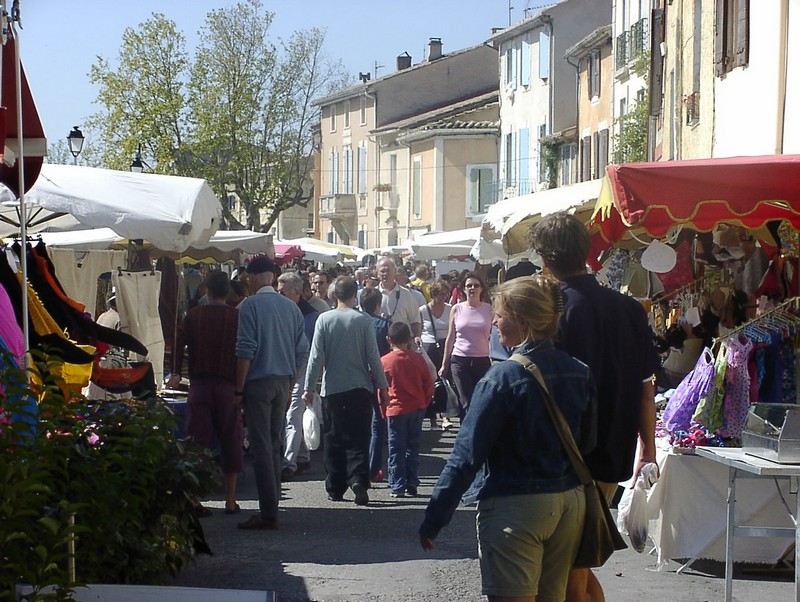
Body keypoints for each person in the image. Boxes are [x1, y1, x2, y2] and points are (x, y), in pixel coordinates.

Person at [420, 275, 597, 602]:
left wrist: (435, 517)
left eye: (499, 315)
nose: (494, 322)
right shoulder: (579, 370)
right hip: (567, 502)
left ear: (522, 321)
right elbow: (588, 443)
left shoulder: (502, 378)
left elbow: (466, 455)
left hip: (517, 504)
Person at [530, 213, 660, 602]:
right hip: (611, 452)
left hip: (564, 457)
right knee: (576, 563)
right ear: (586, 252)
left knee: (565, 568)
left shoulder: (552, 312)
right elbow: (646, 389)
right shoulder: (629, 309)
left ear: (545, 259)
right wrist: (647, 450)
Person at [235, 255, 309, 530]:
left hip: (258, 381)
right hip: (282, 382)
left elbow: (245, 350)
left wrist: (238, 389)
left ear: (253, 278)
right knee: (274, 443)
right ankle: (272, 505)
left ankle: (268, 512)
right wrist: (291, 381)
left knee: (261, 447)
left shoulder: (250, 305)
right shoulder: (290, 307)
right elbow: (302, 351)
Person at [303, 276, 389, 506]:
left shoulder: (324, 319)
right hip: (360, 387)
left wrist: (309, 387)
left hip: (333, 388)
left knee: (334, 437)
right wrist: (382, 386)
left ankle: (335, 485)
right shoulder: (364, 320)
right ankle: (358, 478)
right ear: (355, 295)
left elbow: (316, 356)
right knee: (359, 436)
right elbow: (373, 357)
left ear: (334, 294)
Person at [168, 270, 243, 515]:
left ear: (206, 290)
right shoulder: (236, 317)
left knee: (196, 442)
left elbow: (178, 343)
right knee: (231, 439)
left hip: (199, 385)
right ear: (227, 291)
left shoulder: (194, 315)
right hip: (228, 386)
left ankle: (193, 498)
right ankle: (230, 499)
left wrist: (176, 371)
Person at [380, 321, 434, 498]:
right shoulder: (417, 359)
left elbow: (381, 389)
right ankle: (412, 481)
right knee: (413, 446)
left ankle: (397, 485)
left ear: (389, 339)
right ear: (409, 339)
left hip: (395, 409)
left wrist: (382, 409)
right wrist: (425, 402)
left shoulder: (385, 361)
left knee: (396, 448)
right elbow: (428, 383)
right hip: (417, 406)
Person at [276, 271, 319, 481]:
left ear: (296, 292)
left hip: (303, 370)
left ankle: (288, 463)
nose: (279, 295)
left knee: (293, 414)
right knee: (294, 413)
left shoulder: (311, 316)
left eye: (283, 292)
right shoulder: (283, 312)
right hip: (287, 368)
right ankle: (302, 457)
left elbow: (313, 349)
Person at [439, 271, 492, 417]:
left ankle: (476, 428)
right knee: (465, 400)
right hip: (460, 360)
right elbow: (451, 337)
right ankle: (466, 429)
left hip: (482, 360)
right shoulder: (457, 308)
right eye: (469, 286)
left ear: (481, 288)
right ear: (463, 289)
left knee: (480, 399)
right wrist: (444, 364)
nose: (472, 288)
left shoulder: (489, 309)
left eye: (476, 285)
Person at [360, 287, 392, 483]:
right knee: (377, 424)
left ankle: (359, 467)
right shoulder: (384, 325)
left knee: (359, 423)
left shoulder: (355, 323)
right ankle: (373, 468)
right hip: (379, 376)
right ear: (378, 305)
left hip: (358, 375)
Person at [419, 277, 452, 430]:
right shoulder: (423, 310)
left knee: (445, 381)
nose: (443, 297)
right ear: (433, 294)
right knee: (429, 383)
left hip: (445, 346)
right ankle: (432, 418)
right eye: (440, 294)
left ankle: (445, 416)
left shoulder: (451, 309)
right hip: (428, 347)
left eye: (446, 294)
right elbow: (419, 330)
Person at [376, 257, 421, 337]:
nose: (385, 274)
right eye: (382, 271)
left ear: (395, 271)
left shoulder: (406, 294)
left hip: (402, 340)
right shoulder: (374, 294)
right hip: (380, 340)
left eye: (388, 270)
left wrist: (416, 337)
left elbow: (415, 320)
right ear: (377, 274)